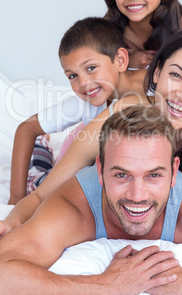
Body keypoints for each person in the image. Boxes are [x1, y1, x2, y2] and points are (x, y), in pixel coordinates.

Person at [2, 28, 182, 236]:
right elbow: (41, 195)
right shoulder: (121, 117)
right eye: (176, 75)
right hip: (74, 155)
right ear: (156, 74)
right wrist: (13, 220)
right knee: (39, 177)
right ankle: (43, 148)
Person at [0, 105, 182, 295]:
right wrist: (105, 285)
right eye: (121, 175)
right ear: (101, 170)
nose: (137, 195)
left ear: (174, 172)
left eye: (154, 175)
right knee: (41, 176)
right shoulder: (73, 205)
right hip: (65, 173)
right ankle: (45, 148)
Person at [8, 17, 146, 205]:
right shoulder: (86, 102)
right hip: (79, 152)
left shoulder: (155, 86)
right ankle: (43, 145)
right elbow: (26, 128)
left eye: (91, 68)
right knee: (42, 185)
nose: (83, 83)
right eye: (72, 76)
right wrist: (15, 198)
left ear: (120, 60)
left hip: (93, 148)